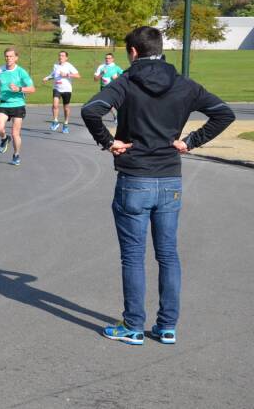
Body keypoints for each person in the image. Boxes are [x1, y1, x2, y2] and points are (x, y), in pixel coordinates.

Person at [82, 26, 234, 345]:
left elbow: (91, 110)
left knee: (134, 256)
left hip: (135, 177)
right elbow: (223, 114)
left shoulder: (124, 82)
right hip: (169, 178)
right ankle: (167, 326)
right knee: (168, 254)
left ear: (133, 51)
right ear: (160, 49)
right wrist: (192, 141)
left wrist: (109, 142)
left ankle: (134, 325)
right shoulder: (183, 84)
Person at [0, 47, 35, 166]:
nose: (8, 58)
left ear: (16, 58)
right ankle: (5, 138)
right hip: (4, 103)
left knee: (15, 133)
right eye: (6, 56)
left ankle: (16, 155)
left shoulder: (21, 72)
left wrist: (19, 89)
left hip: (18, 104)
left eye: (11, 56)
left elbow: (32, 89)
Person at [42, 50, 79, 133]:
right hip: (57, 88)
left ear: (66, 58)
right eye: (59, 55)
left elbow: (77, 75)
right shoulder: (55, 65)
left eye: (62, 56)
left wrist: (67, 75)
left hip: (67, 89)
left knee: (66, 108)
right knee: (55, 105)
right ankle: (55, 121)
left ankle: (65, 124)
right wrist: (47, 78)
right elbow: (53, 74)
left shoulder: (69, 66)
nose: (60, 57)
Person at [93, 53, 124, 123]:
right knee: (108, 104)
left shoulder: (116, 67)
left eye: (109, 58)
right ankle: (115, 116)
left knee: (116, 103)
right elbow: (95, 79)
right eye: (106, 58)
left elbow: (124, 76)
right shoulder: (101, 67)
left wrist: (117, 78)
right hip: (104, 88)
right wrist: (101, 74)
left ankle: (120, 116)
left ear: (113, 59)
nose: (107, 60)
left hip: (114, 88)